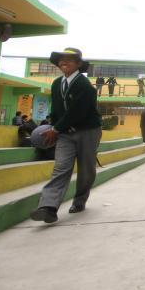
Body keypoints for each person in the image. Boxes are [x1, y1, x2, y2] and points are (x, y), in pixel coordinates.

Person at [30, 47, 102, 224]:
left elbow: (77, 112)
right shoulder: (56, 84)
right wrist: (52, 126)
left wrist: (56, 129)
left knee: (86, 170)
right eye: (61, 59)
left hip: (87, 132)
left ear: (78, 64)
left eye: (69, 59)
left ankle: (79, 201)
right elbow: (56, 109)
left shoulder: (85, 87)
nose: (64, 62)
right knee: (61, 168)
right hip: (64, 134)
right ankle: (48, 207)